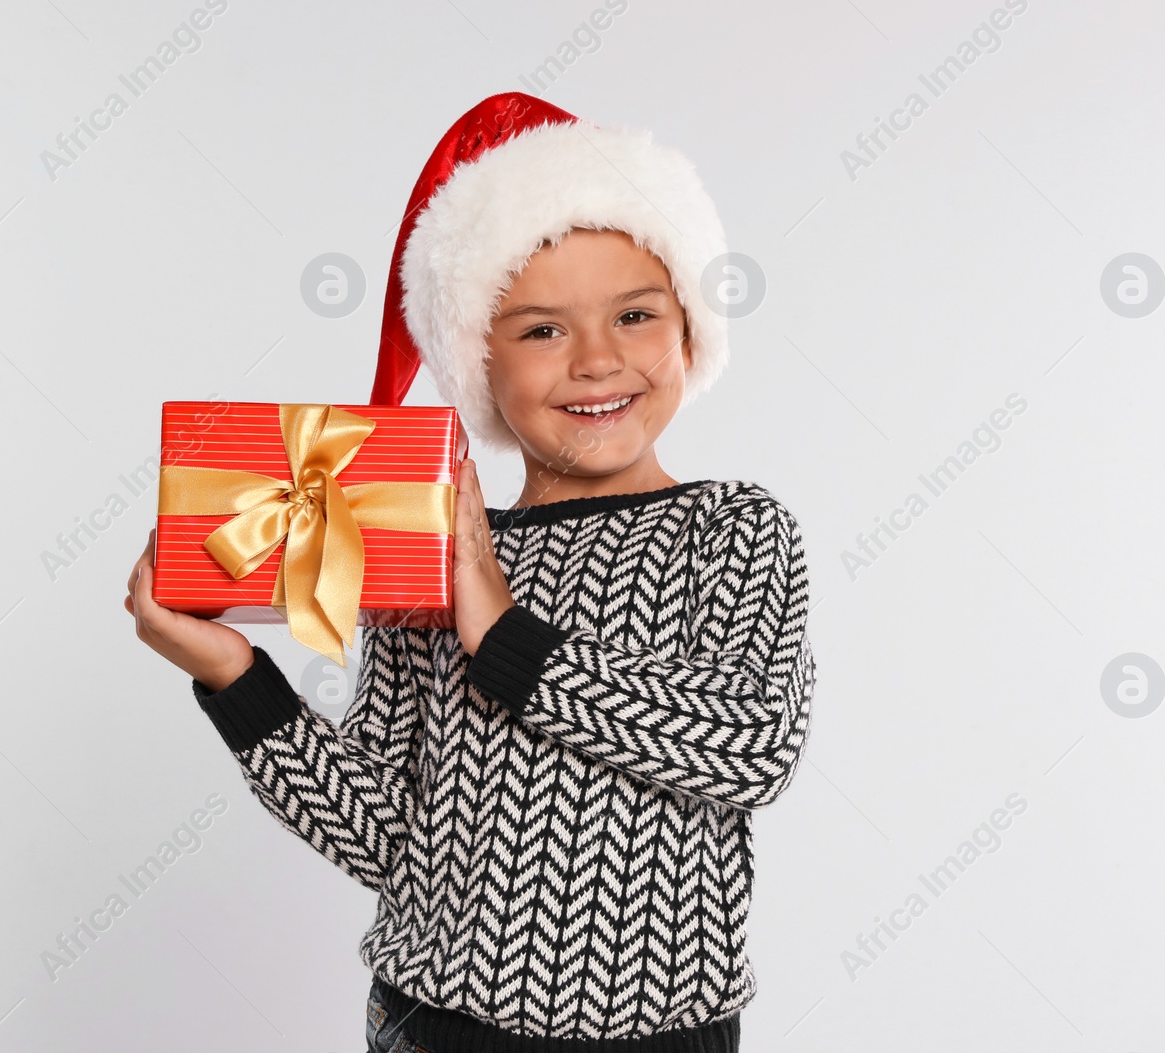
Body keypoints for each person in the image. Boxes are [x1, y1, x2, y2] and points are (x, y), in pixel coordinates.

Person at [125, 92, 816, 1051]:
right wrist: (235, 678)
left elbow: (754, 750)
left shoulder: (731, 529)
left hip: (661, 1033)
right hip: (437, 1025)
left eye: (635, 314)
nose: (597, 359)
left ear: (690, 331)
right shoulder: (428, 549)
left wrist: (502, 635)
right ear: (474, 363)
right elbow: (381, 839)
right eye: (540, 329)